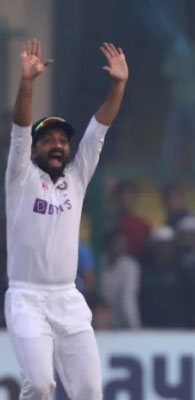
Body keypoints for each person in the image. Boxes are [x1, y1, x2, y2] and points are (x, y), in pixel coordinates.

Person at [4, 39, 128, 399]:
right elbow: (20, 129)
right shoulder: (21, 177)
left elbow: (98, 130)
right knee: (40, 384)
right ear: (34, 150)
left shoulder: (76, 178)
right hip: (27, 299)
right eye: (48, 141)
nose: (57, 145)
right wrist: (27, 83)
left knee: (89, 391)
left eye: (62, 140)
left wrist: (118, 85)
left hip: (68, 299)